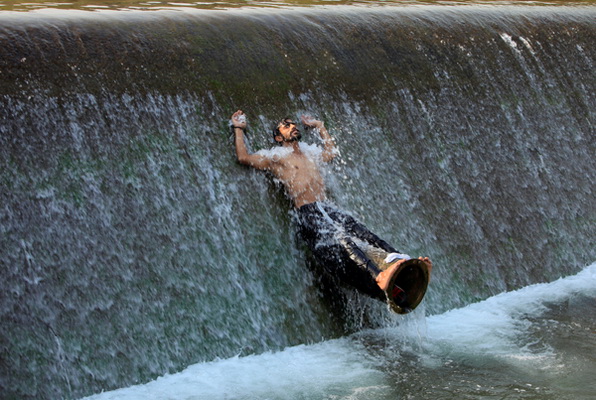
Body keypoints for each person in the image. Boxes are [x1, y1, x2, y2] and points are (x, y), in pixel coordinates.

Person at [230, 110, 432, 308]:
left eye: (293, 124)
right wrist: (239, 129)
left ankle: (402, 260)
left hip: (327, 208)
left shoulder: (310, 153)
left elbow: (331, 152)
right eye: (286, 125)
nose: (293, 127)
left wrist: (320, 126)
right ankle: (379, 275)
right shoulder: (277, 157)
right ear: (277, 137)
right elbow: (244, 157)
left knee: (360, 231)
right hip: (307, 212)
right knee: (342, 238)